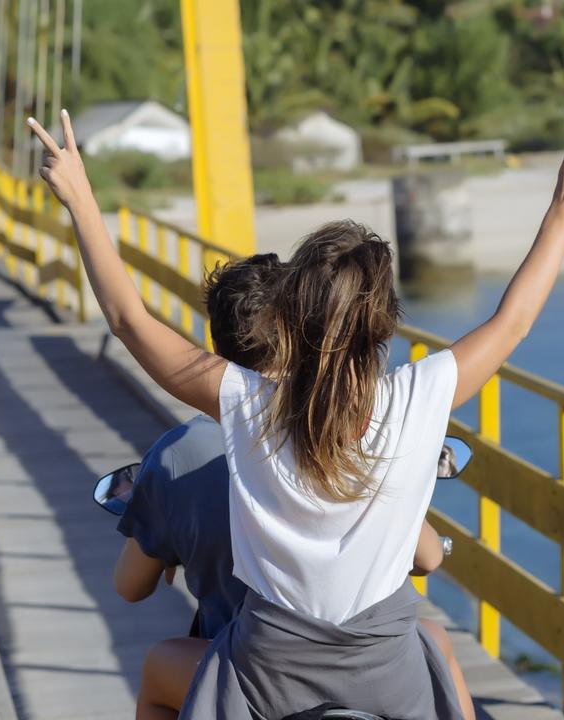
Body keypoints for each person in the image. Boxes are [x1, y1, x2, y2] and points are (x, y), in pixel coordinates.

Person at [28, 110, 564, 718]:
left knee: (160, 677)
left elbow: (128, 321)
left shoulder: (248, 403)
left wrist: (81, 199)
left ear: (290, 314)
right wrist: (563, 211)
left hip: (267, 673)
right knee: (437, 667)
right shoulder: (417, 396)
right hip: (385, 671)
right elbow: (512, 322)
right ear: (384, 322)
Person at [112, 253, 474, 718]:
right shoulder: (345, 428)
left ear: (214, 341)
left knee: (158, 667)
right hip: (374, 675)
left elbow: (129, 587)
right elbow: (426, 557)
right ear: (306, 331)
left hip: (258, 676)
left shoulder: (175, 456)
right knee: (436, 644)